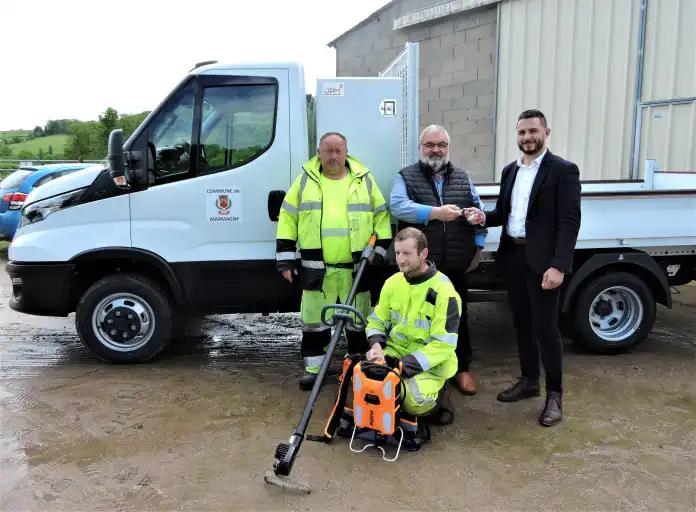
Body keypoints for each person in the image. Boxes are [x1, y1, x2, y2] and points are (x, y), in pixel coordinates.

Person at [465, 109, 581, 427]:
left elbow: (569, 223)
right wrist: (482, 217)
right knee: (522, 324)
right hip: (513, 258)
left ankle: (554, 395)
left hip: (543, 263)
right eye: (521, 133)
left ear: (546, 132)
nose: (527, 137)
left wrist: (559, 266)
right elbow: (504, 212)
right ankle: (529, 382)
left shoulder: (563, 171)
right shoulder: (510, 171)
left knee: (546, 330)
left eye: (533, 131)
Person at [276, 132, 392, 390]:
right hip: (317, 270)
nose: (333, 156)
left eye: (338, 150)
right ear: (319, 152)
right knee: (314, 323)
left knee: (358, 323)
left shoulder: (363, 180)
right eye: (327, 150)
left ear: (346, 152)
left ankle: (357, 368)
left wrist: (380, 251)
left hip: (356, 269)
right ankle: (315, 370)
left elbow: (381, 216)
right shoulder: (306, 180)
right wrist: (285, 260)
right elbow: (288, 217)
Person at [389, 124, 486, 396]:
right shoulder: (405, 176)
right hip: (421, 266)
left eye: (441, 144)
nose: (436, 149)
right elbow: (397, 206)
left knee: (458, 316)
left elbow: (478, 211)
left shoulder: (463, 177)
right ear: (420, 148)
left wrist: (478, 244)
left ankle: (462, 368)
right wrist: (435, 213)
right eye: (430, 145)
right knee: (420, 319)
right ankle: (423, 367)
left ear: (448, 148)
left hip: (455, 262)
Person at [365, 227, 460, 417]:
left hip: (431, 364)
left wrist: (402, 366)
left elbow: (443, 345)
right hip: (394, 353)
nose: (400, 259)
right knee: (367, 383)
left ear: (423, 253)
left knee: (414, 402)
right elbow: (376, 321)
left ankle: (439, 397)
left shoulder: (444, 291)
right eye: (398, 252)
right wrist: (376, 347)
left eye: (407, 253)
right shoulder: (392, 282)